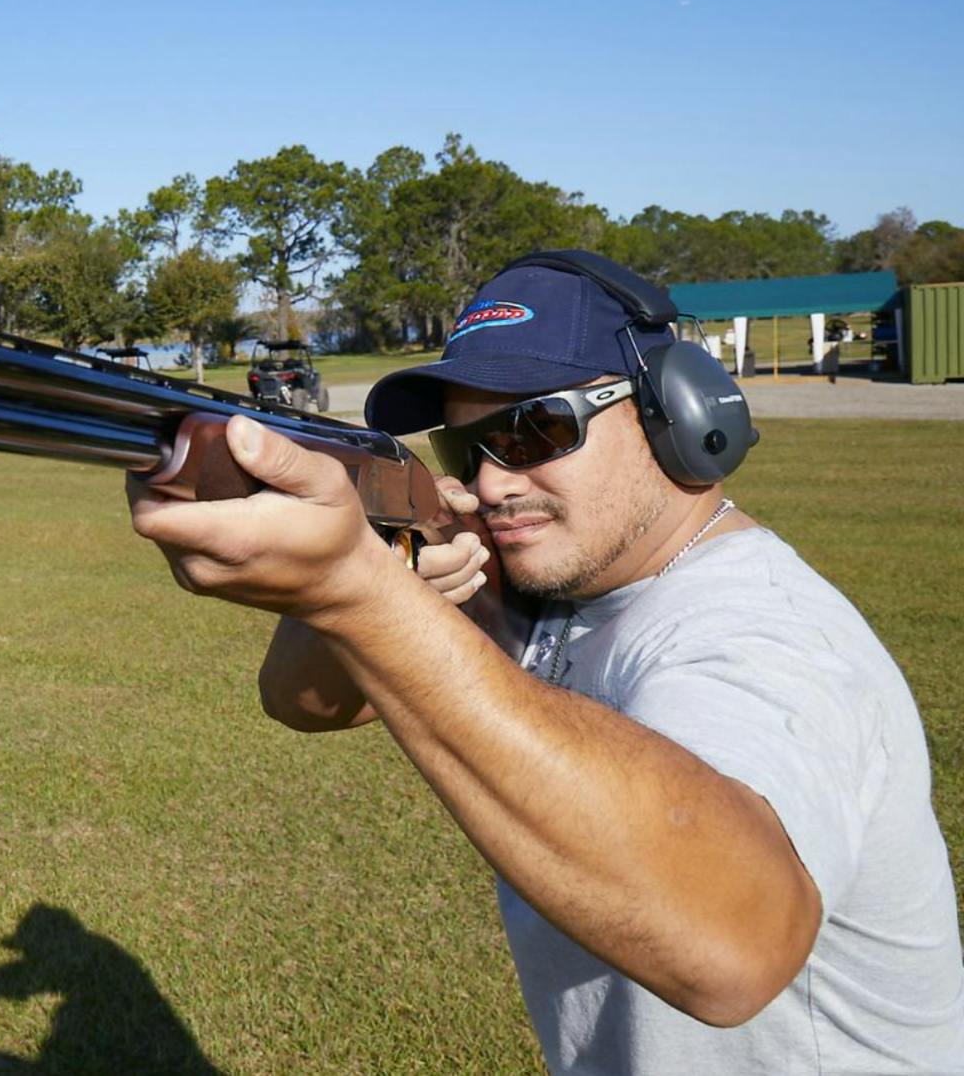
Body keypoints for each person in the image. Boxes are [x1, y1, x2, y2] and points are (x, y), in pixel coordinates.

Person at [127, 251, 963, 1075]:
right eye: (465, 449)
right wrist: (384, 572)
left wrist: (360, 593)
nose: (491, 484)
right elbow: (303, 702)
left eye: (535, 429)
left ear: (673, 409)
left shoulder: (765, 634)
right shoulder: (551, 581)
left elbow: (734, 949)